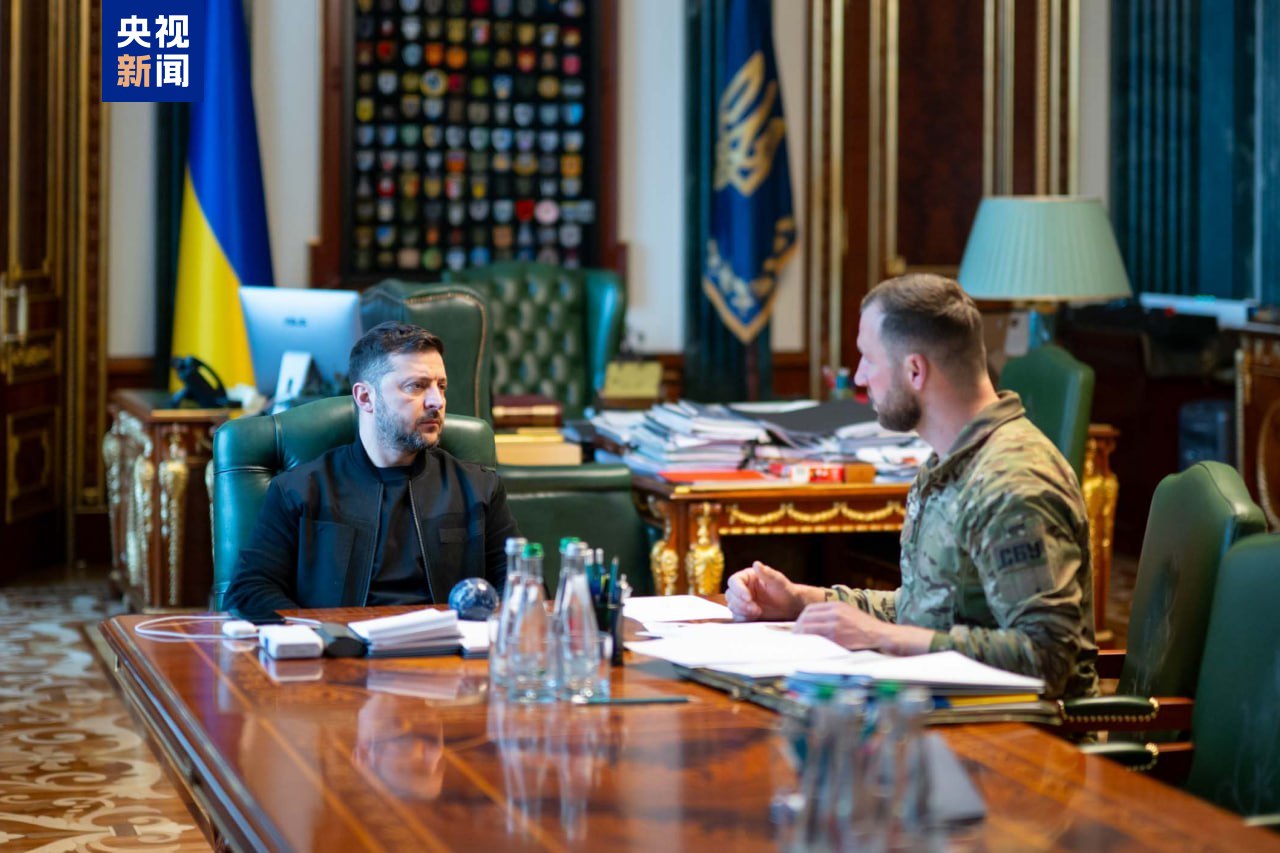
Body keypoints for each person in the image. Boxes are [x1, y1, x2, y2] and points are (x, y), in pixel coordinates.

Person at [726, 274, 1098, 699]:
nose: (860, 377)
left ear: (915, 370)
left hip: (1020, 730)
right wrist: (801, 601)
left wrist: (883, 637)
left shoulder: (1011, 483)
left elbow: (1047, 658)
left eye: (869, 359)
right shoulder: (948, 462)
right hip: (951, 709)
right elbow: (925, 611)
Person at [226, 321, 519, 622]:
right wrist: (324, 634)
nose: (437, 401)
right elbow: (249, 590)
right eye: (416, 386)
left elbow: (518, 587)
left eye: (441, 386)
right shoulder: (300, 490)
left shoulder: (478, 487)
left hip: (449, 647)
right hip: (341, 646)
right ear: (365, 397)